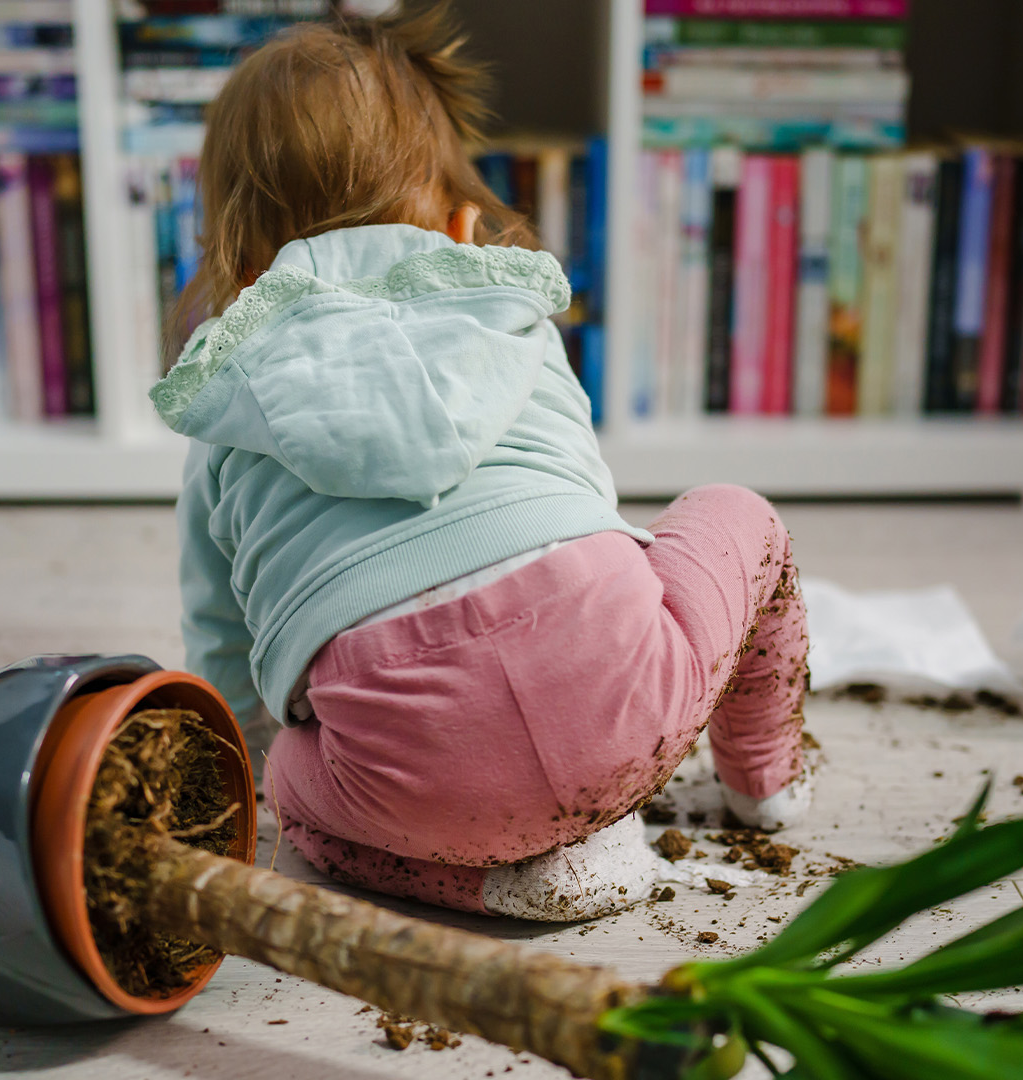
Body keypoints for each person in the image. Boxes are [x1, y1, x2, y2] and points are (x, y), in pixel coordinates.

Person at [150, 3, 812, 920]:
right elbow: (582, 497)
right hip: (628, 708)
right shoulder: (510, 314)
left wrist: (263, 766)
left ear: (241, 262)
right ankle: (766, 783)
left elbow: (222, 642)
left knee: (297, 801)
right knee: (737, 513)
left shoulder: (226, 400)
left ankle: (493, 879)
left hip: (404, 784)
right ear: (464, 224)